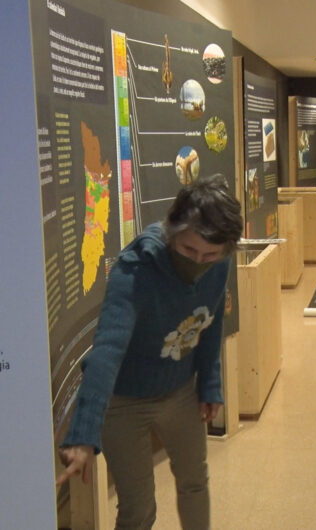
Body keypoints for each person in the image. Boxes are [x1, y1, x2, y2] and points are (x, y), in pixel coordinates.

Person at [56, 175, 243, 530]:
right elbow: (107, 350)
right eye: (189, 251)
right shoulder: (135, 269)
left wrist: (211, 384)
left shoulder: (219, 260)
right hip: (123, 402)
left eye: (210, 255)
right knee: (139, 509)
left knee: (195, 483)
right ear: (173, 234)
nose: (200, 262)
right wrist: (83, 434)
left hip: (180, 392)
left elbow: (211, 320)